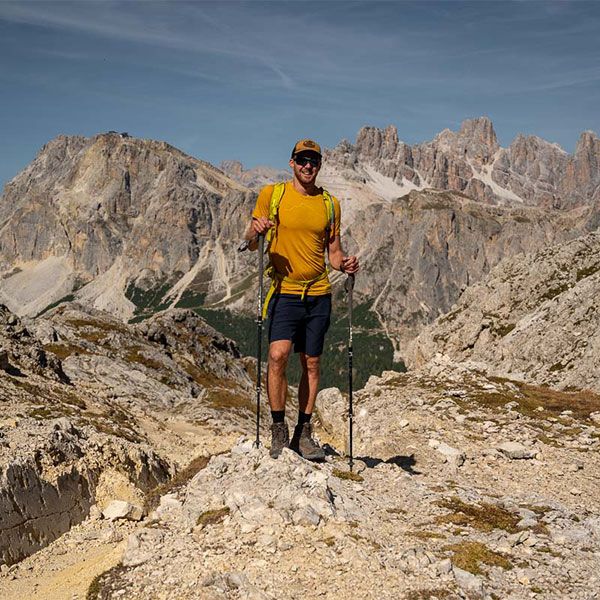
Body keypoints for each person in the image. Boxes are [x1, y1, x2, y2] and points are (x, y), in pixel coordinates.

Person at [245, 139, 359, 460]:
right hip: (284, 292)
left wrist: (345, 264)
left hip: (319, 293)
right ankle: (278, 429)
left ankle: (303, 432)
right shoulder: (273, 195)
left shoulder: (330, 204)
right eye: (303, 160)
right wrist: (256, 230)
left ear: (319, 165)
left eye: (314, 161)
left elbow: (333, 254)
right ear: (292, 162)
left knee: (311, 363)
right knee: (278, 355)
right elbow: (251, 241)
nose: (308, 166)